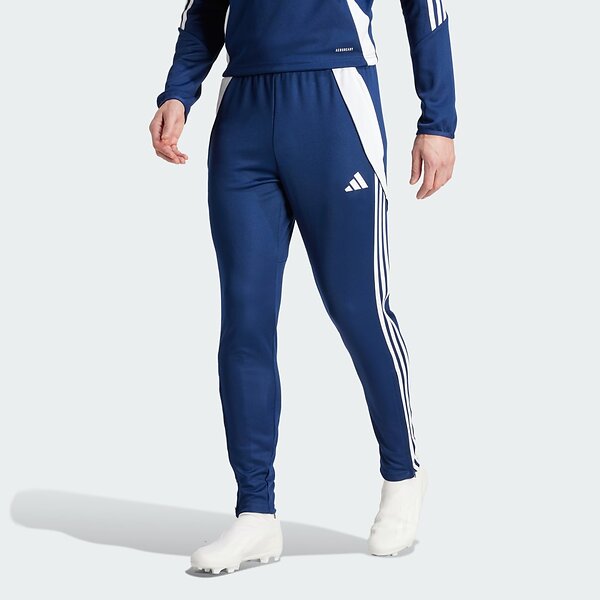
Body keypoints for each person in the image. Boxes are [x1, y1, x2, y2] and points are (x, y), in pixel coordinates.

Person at [149, 0, 456, 575]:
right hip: (243, 109)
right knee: (245, 322)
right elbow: (204, 9)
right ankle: (255, 513)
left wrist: (437, 120)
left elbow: (426, 7)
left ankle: (402, 475)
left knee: (359, 309)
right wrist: (179, 91)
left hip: (334, 103)